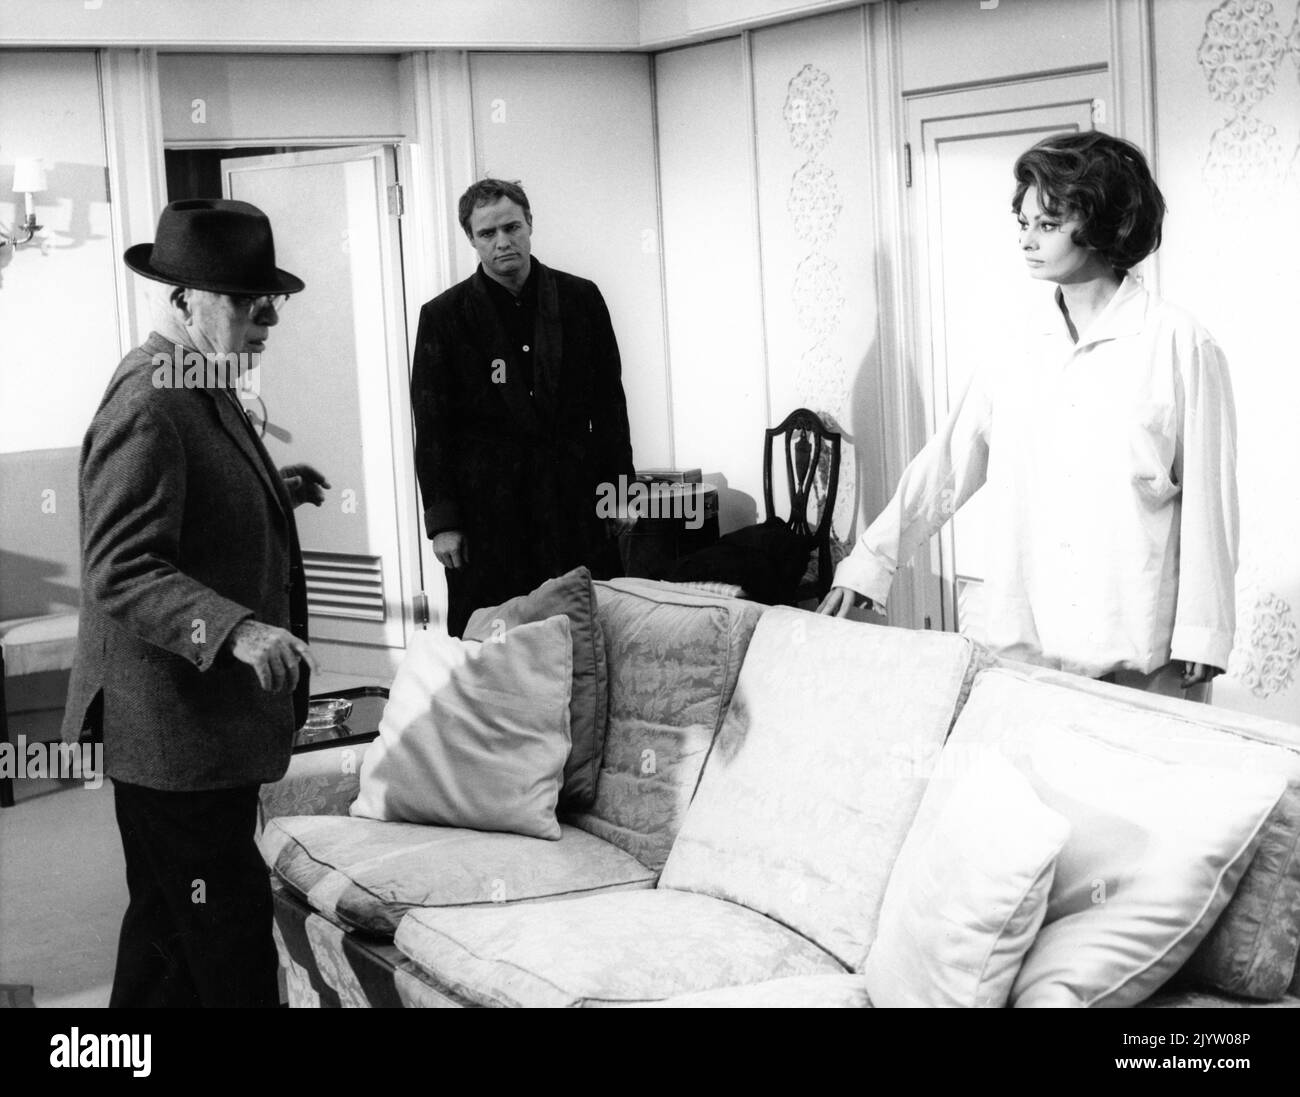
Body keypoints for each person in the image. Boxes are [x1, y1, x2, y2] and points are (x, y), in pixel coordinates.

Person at [819, 132, 1238, 698]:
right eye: (1024, 223)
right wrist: (874, 560)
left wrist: (1204, 633)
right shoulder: (1014, 347)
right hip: (1029, 651)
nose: (1027, 240)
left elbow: (1210, 500)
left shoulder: (1179, 344)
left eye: (1047, 224)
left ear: (1100, 223)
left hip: (1145, 654)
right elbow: (947, 463)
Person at [61, 198, 330, 1007]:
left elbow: (184, 505)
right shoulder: (150, 397)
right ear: (185, 302)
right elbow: (121, 563)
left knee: (166, 941)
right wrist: (240, 628)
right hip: (174, 735)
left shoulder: (199, 379)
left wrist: (273, 492)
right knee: (229, 947)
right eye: (250, 301)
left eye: (270, 299)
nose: (269, 318)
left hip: (187, 731)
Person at [410, 178, 636, 636]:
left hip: (573, 499)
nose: (502, 242)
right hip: (488, 513)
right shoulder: (444, 317)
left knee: (587, 629)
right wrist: (442, 523)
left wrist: (619, 493)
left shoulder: (581, 298)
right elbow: (432, 427)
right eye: (487, 234)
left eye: (512, 227)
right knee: (495, 642)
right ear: (471, 240)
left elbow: (609, 403)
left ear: (530, 224)